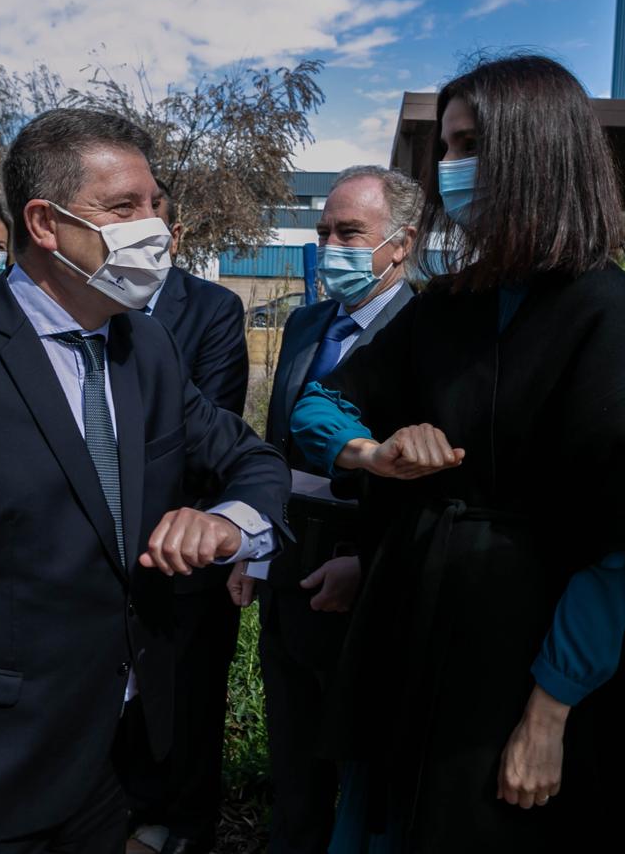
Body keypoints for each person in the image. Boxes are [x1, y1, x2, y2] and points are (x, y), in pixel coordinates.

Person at [0, 107, 290, 854]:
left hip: (111, 763)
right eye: (124, 208)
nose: (156, 229)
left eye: (155, 205)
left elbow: (253, 460)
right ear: (44, 222)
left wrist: (231, 519)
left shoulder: (150, 349)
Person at [289, 55, 625, 852]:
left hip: (522, 653)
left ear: (534, 151)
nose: (448, 170)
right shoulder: (451, 304)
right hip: (414, 630)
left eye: (467, 145)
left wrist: (550, 710)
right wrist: (373, 453)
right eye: (444, 148)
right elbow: (316, 406)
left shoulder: (601, 307)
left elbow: (619, 542)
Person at [226, 165, 419, 854]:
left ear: (401, 243)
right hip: (288, 569)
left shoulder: (427, 330)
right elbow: (278, 447)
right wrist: (255, 545)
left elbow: (431, 485)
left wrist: (367, 563)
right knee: (294, 759)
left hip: (368, 590)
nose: (331, 243)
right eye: (324, 230)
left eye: (350, 231)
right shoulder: (308, 322)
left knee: (362, 776)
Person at [125, 178, 250, 854]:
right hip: (113, 549)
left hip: (191, 540)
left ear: (175, 236)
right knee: (131, 697)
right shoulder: (96, 307)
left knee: (193, 696)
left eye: (152, 225)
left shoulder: (213, 308)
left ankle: (191, 823)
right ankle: (137, 801)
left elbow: (212, 425)